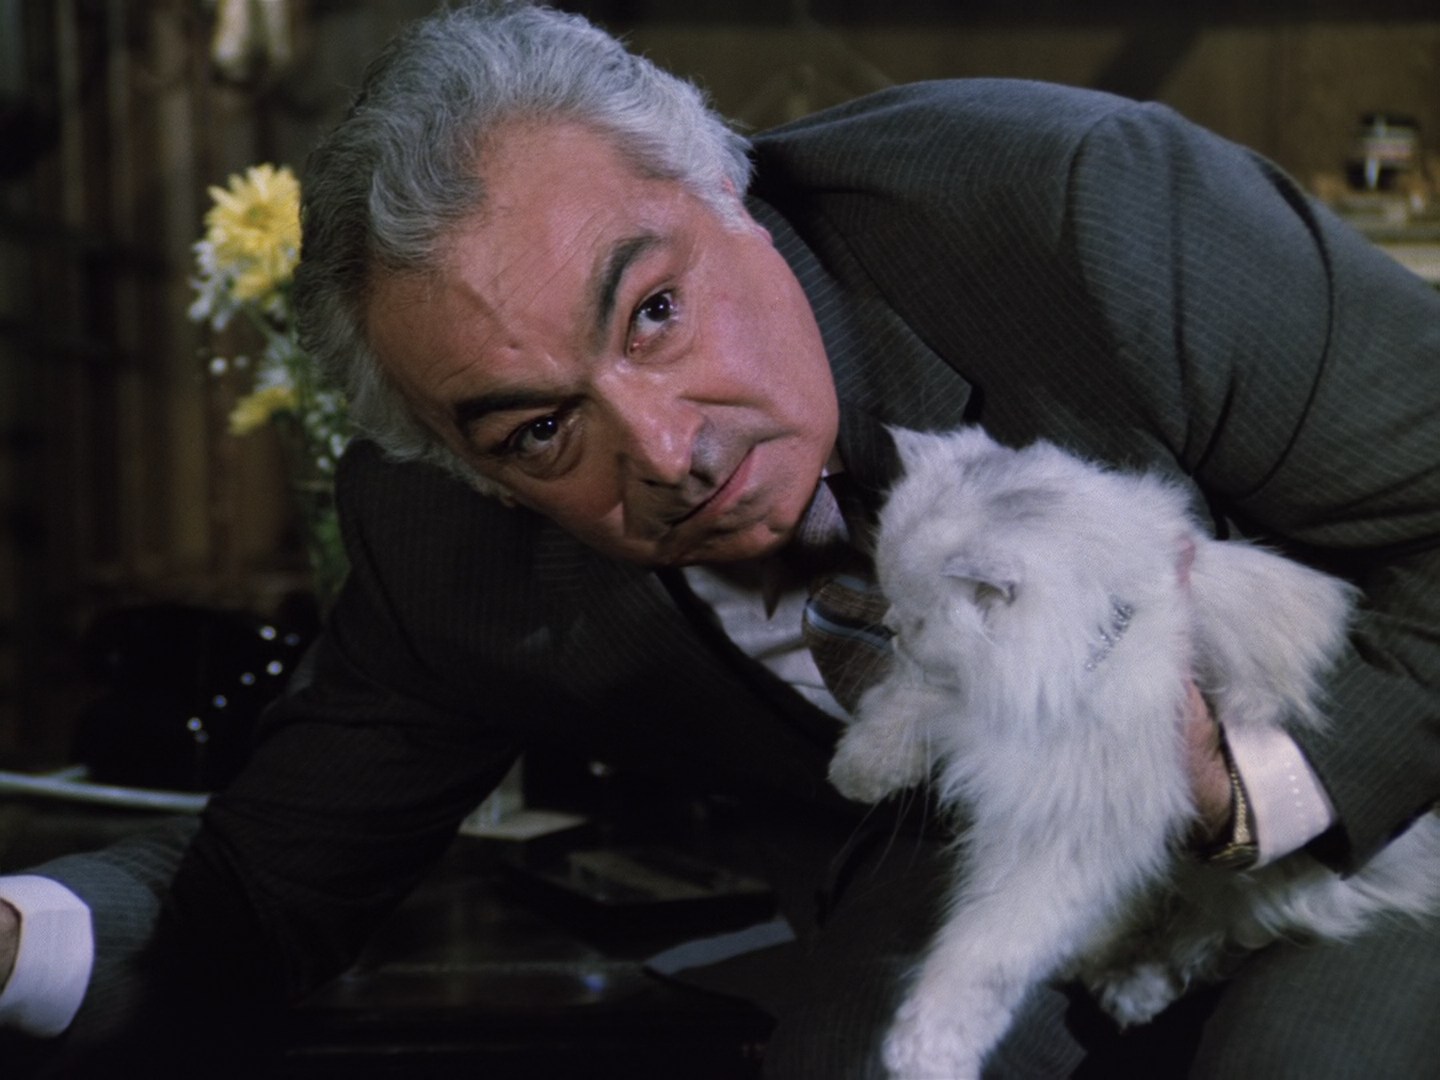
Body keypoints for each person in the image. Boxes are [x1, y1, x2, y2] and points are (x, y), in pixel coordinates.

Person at [3, 2, 1438, 1075]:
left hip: (1384, 811)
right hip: (985, 889)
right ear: (467, 468)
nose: (668, 450)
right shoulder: (446, 544)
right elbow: (263, 889)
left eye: (654, 312)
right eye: (540, 431)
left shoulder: (1082, 210)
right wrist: (12, 939)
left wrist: (1245, 787)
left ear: (727, 190)